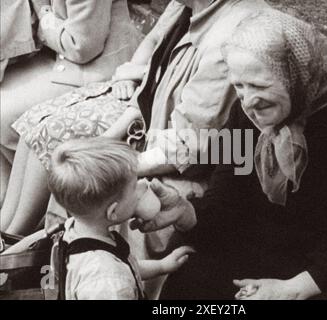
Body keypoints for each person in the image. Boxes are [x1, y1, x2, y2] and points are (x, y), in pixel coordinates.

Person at [136, 9, 327, 299]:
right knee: (189, 278)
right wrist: (186, 213)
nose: (249, 101)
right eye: (239, 86)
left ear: (298, 75)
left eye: (260, 86)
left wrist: (294, 289)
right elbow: (227, 196)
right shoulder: (245, 113)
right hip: (268, 247)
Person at [1, 0, 269, 237]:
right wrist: (105, 138)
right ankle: (8, 233)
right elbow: (152, 78)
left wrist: (109, 164)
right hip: (152, 123)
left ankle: (17, 243)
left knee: (61, 143)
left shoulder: (228, 35)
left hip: (176, 151)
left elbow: (192, 146)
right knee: (40, 127)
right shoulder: (188, 6)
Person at [0, 0, 141, 233]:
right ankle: (7, 210)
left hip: (98, 70)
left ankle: (19, 228)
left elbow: (82, 46)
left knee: (12, 115)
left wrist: (44, 16)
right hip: (64, 61)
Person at [47, 137, 193, 300]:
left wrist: (161, 266)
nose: (144, 184)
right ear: (113, 212)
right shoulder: (107, 282)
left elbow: (127, 265)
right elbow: (115, 275)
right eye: (134, 186)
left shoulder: (75, 230)